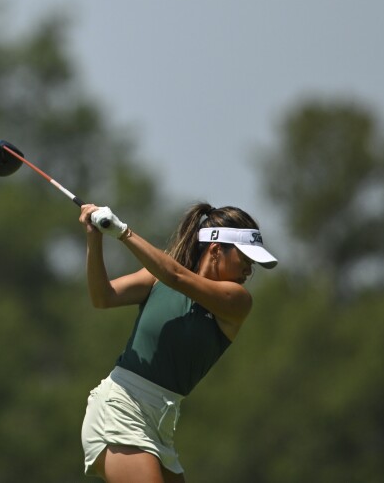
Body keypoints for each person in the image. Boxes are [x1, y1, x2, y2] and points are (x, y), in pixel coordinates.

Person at [77, 201, 278, 482]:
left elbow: (176, 275)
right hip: (121, 407)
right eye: (244, 260)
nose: (248, 271)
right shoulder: (158, 279)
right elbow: (103, 297)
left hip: (161, 424)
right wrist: (94, 237)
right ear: (216, 249)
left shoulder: (237, 301)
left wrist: (123, 232)